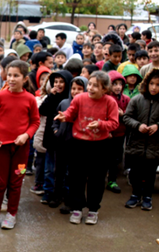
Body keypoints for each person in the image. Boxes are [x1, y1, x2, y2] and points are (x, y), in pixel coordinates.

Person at [54, 71, 119, 225]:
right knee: (76, 177)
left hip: (99, 145)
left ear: (104, 89)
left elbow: (114, 123)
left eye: (95, 86)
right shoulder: (80, 98)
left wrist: (101, 124)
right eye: (89, 84)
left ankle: (93, 209)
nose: (90, 88)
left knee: (97, 179)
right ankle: (77, 208)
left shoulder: (110, 102)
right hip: (79, 144)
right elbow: (71, 112)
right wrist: (65, 116)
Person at [0, 60, 40, 229]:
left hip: (21, 150)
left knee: (16, 182)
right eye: (9, 75)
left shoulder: (30, 99)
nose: (12, 79)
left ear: (25, 78)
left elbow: (35, 122)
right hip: (1, 148)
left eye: (16, 75)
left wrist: (26, 135)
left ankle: (11, 213)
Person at [49, 76, 88, 210]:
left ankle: (70, 200)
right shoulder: (64, 103)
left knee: (73, 174)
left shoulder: (87, 105)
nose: (75, 91)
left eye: (79, 89)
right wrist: (56, 131)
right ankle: (56, 196)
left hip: (77, 145)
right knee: (58, 171)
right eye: (73, 88)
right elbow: (55, 119)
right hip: (61, 143)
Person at [123, 68, 159, 210]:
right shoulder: (137, 99)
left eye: (157, 84)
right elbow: (126, 117)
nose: (154, 87)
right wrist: (138, 126)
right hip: (136, 144)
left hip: (155, 146)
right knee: (135, 172)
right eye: (152, 84)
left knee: (150, 173)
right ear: (146, 83)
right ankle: (135, 195)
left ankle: (147, 196)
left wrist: (157, 126)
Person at [37, 70, 72, 204]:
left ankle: (63, 191)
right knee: (49, 168)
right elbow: (42, 111)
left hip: (65, 139)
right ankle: (48, 191)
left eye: (61, 82)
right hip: (51, 138)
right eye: (55, 82)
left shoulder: (70, 99)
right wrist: (51, 96)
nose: (58, 84)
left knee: (65, 169)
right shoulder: (51, 97)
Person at [105, 70, 130, 194]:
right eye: (114, 84)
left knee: (115, 158)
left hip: (120, 133)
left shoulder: (126, 99)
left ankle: (112, 180)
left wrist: (123, 114)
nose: (118, 87)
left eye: (120, 84)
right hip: (107, 134)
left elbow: (130, 116)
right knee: (104, 157)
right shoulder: (106, 98)